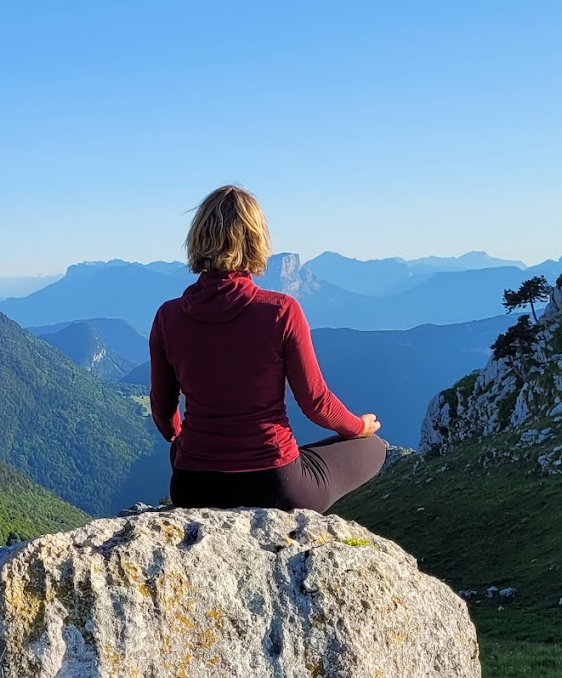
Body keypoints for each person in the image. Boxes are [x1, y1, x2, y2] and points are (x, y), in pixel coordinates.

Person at [149, 185, 387, 513]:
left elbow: (163, 412)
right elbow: (315, 402)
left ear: (198, 238)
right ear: (256, 239)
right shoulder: (280, 311)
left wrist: (181, 440)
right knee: (375, 448)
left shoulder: (168, 316)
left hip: (192, 486)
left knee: (180, 449)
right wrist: (360, 427)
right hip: (274, 487)